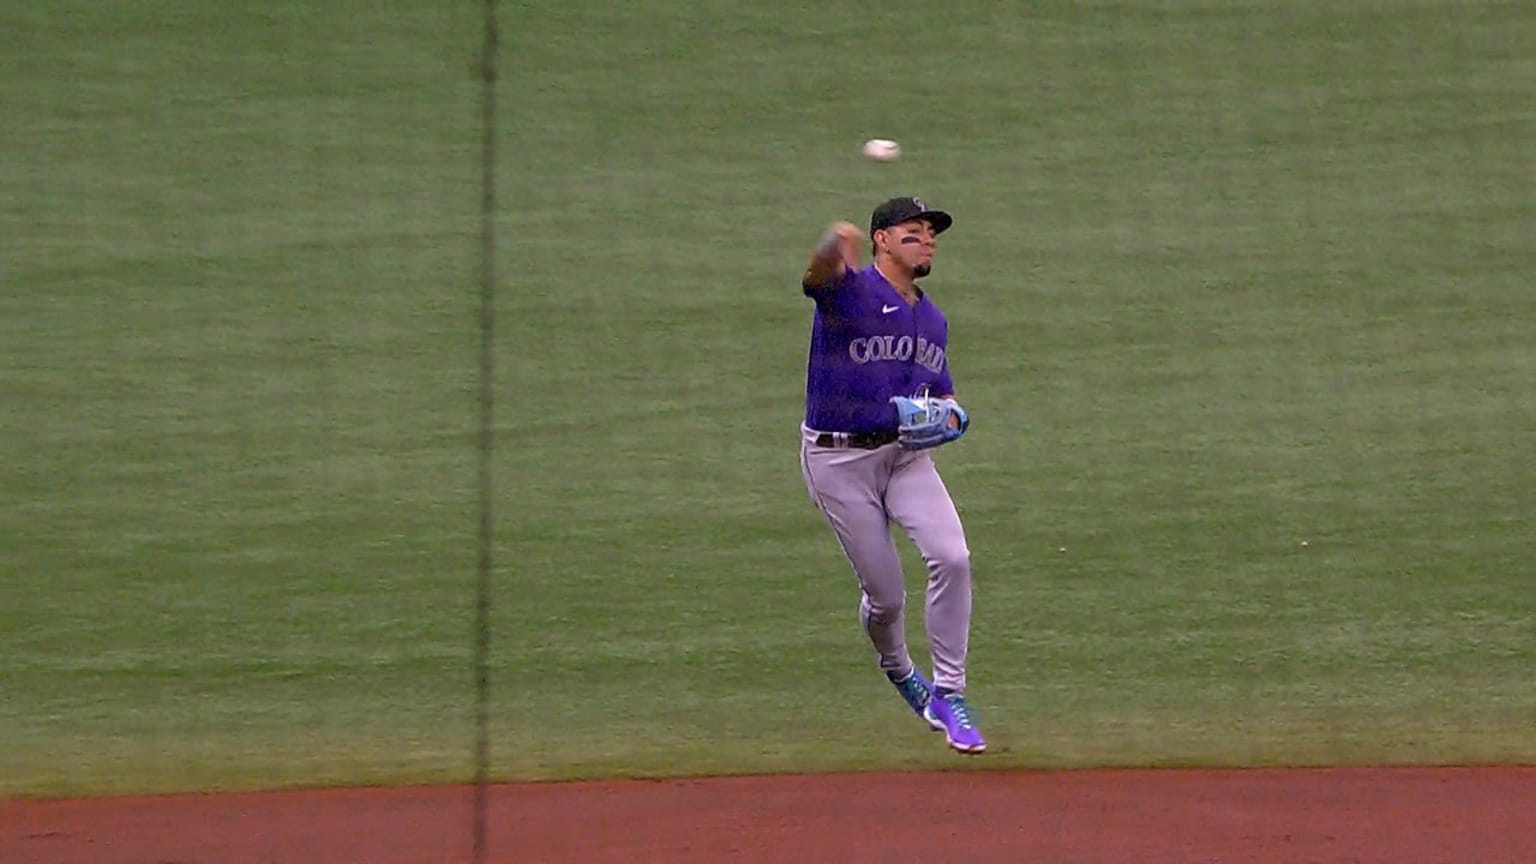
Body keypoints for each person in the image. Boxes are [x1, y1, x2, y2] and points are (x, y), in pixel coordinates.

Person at [796, 196, 985, 754]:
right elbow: (815, 273)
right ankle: (902, 670)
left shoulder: (932, 319)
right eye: (913, 230)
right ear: (881, 239)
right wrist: (834, 241)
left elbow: (941, 390)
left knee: (953, 557)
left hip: (903, 458)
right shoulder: (849, 290)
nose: (927, 240)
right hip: (837, 463)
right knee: (887, 599)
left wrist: (949, 413)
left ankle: (949, 692)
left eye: (931, 233)